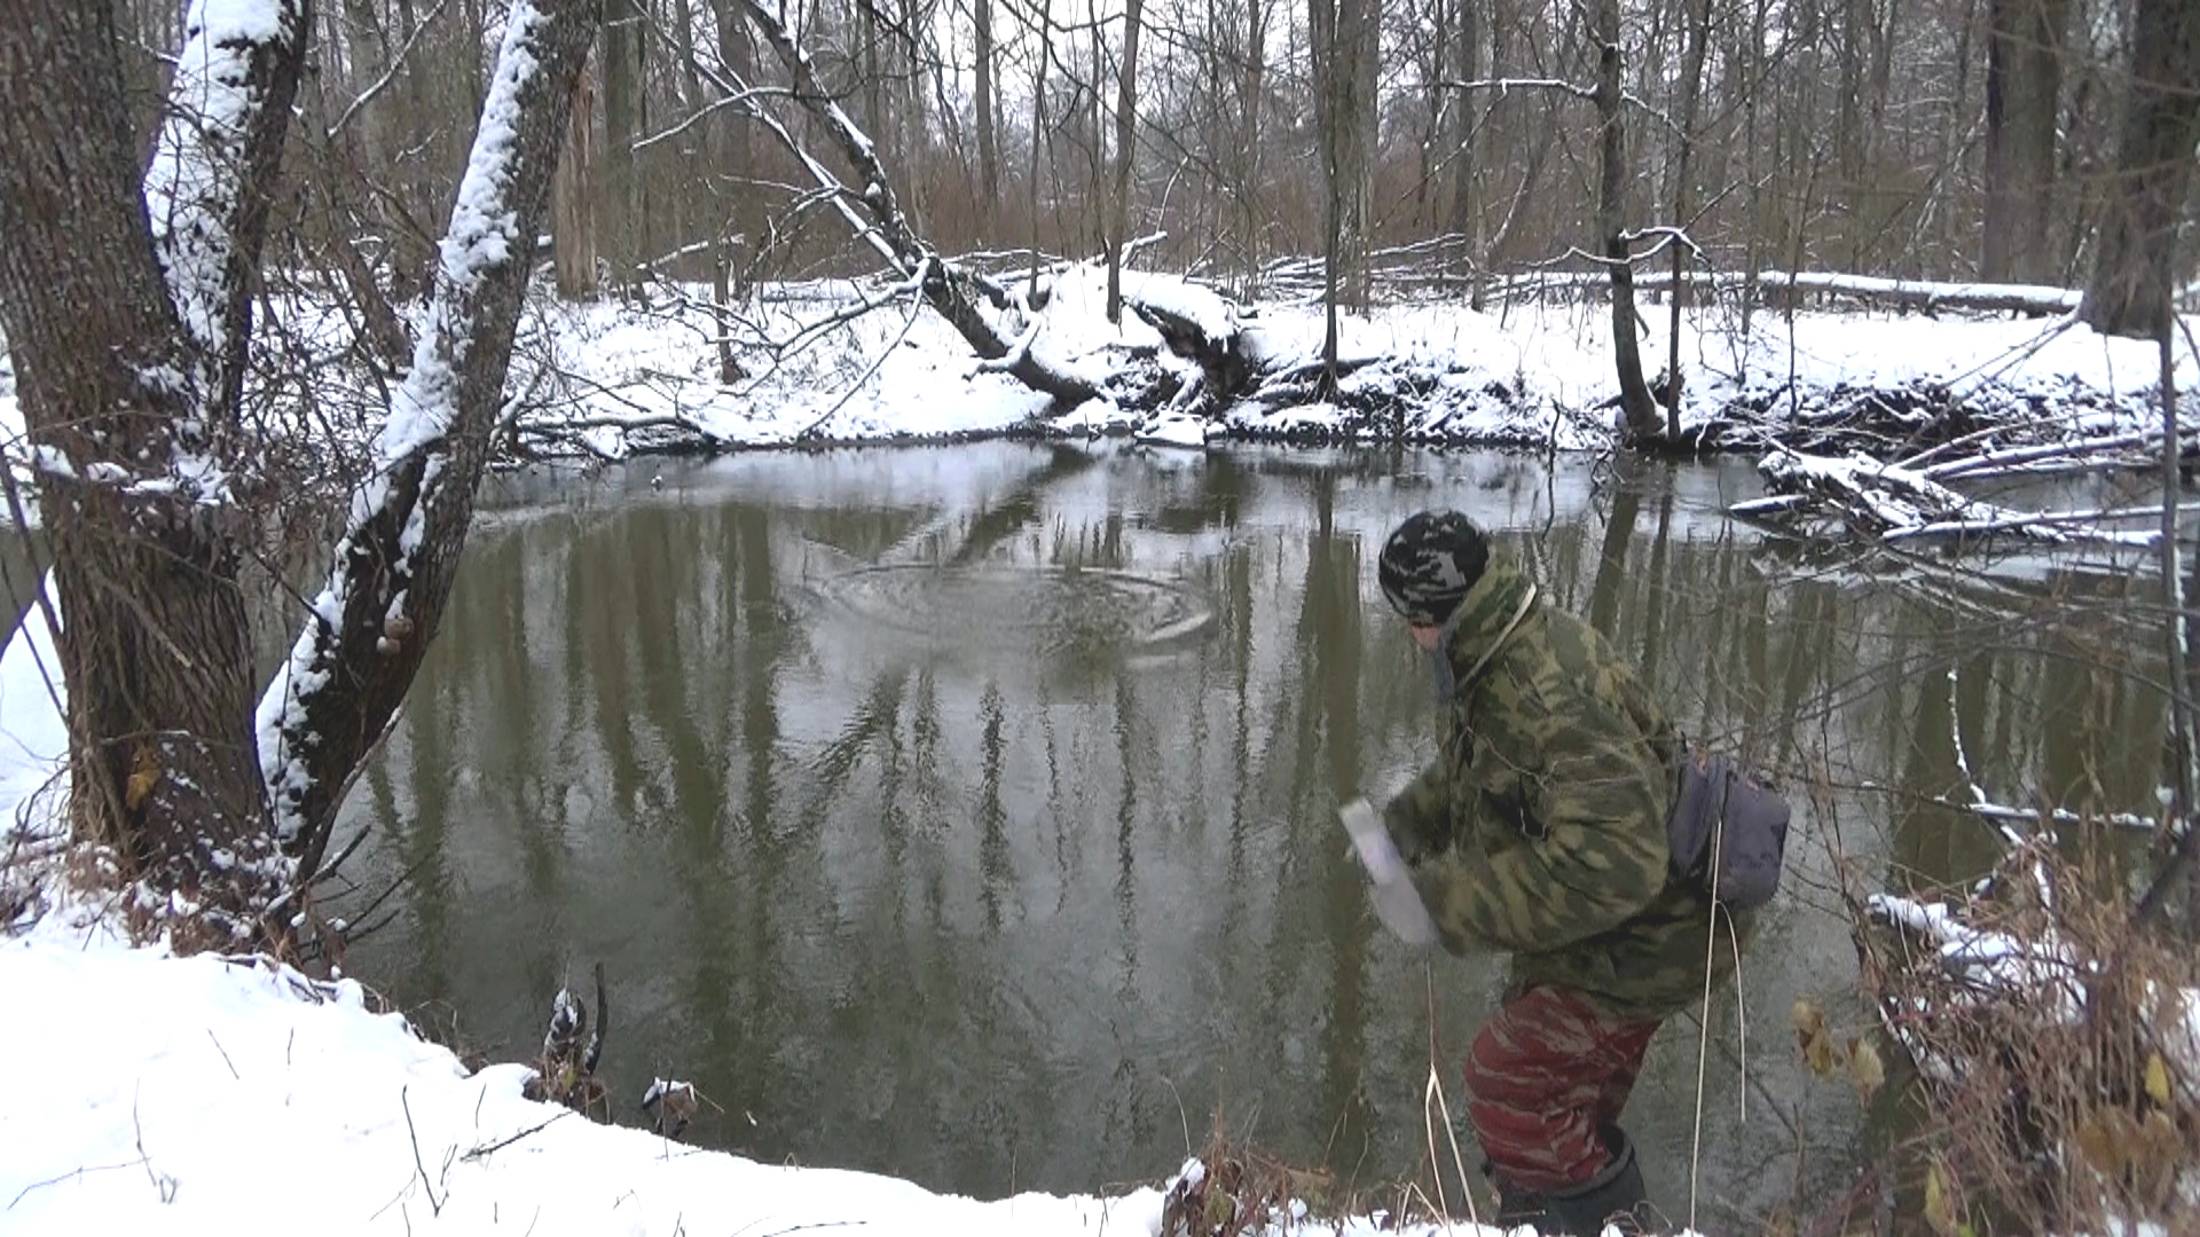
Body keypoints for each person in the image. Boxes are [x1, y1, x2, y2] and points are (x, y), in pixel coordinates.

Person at [1373, 510, 1746, 1235]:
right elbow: (1485, 767)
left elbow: (1619, 867)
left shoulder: (1541, 689)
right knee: (1558, 1096)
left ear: (1426, 620)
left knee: (1508, 1077)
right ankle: (1575, 1212)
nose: (1409, 639)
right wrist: (1408, 825)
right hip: (1632, 912)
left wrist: (1446, 904)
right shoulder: (1492, 649)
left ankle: (1587, 1224)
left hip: (1664, 928)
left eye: (1408, 622)